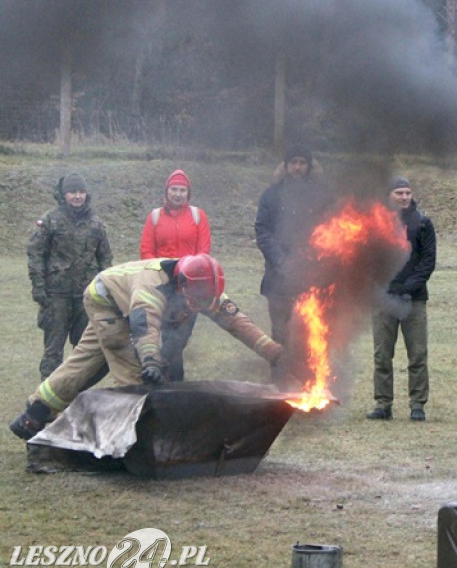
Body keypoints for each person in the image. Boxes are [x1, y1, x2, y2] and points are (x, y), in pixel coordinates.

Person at [9, 254, 284, 441]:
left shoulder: (203, 286)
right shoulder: (151, 287)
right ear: (182, 283)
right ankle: (136, 439)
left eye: (208, 298)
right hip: (107, 301)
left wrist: (275, 353)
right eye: (197, 298)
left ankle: (35, 413)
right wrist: (150, 360)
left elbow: (238, 322)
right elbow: (144, 325)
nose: (202, 304)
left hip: (122, 300)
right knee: (132, 373)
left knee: (84, 363)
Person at [28, 173, 113, 380]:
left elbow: (105, 259)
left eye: (81, 192)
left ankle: (75, 394)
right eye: (72, 192)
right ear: (63, 195)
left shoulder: (96, 224)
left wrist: (105, 290)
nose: (77, 196)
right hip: (56, 295)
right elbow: (35, 253)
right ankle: (45, 401)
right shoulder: (50, 220)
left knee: (82, 352)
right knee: (53, 351)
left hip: (86, 296)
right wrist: (38, 286)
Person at [367, 177, 437, 422]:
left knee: (417, 354)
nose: (405, 197)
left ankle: (417, 404)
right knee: (382, 355)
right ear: (389, 195)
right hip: (383, 299)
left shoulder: (423, 224)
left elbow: (428, 261)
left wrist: (408, 286)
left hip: (413, 299)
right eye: (399, 193)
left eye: (408, 192)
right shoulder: (374, 223)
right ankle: (383, 404)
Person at [254, 145, 334, 349]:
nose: (298, 167)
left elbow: (331, 228)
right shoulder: (271, 195)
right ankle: (279, 379)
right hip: (278, 277)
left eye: (302, 163)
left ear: (308, 166)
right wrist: (282, 261)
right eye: (293, 162)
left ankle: (308, 379)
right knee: (280, 335)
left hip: (311, 276)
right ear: (286, 165)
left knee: (309, 335)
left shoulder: (322, 195)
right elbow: (263, 232)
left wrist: (310, 258)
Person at [139, 169, 212, 381]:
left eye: (182, 190)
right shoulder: (154, 217)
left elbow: (203, 252)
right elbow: (146, 251)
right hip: (163, 286)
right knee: (168, 335)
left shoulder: (198, 217)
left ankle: (160, 375)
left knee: (179, 337)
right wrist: (159, 276)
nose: (178, 194)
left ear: (188, 193)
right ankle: (172, 381)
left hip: (190, 289)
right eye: (174, 189)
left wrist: (191, 277)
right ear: (166, 191)